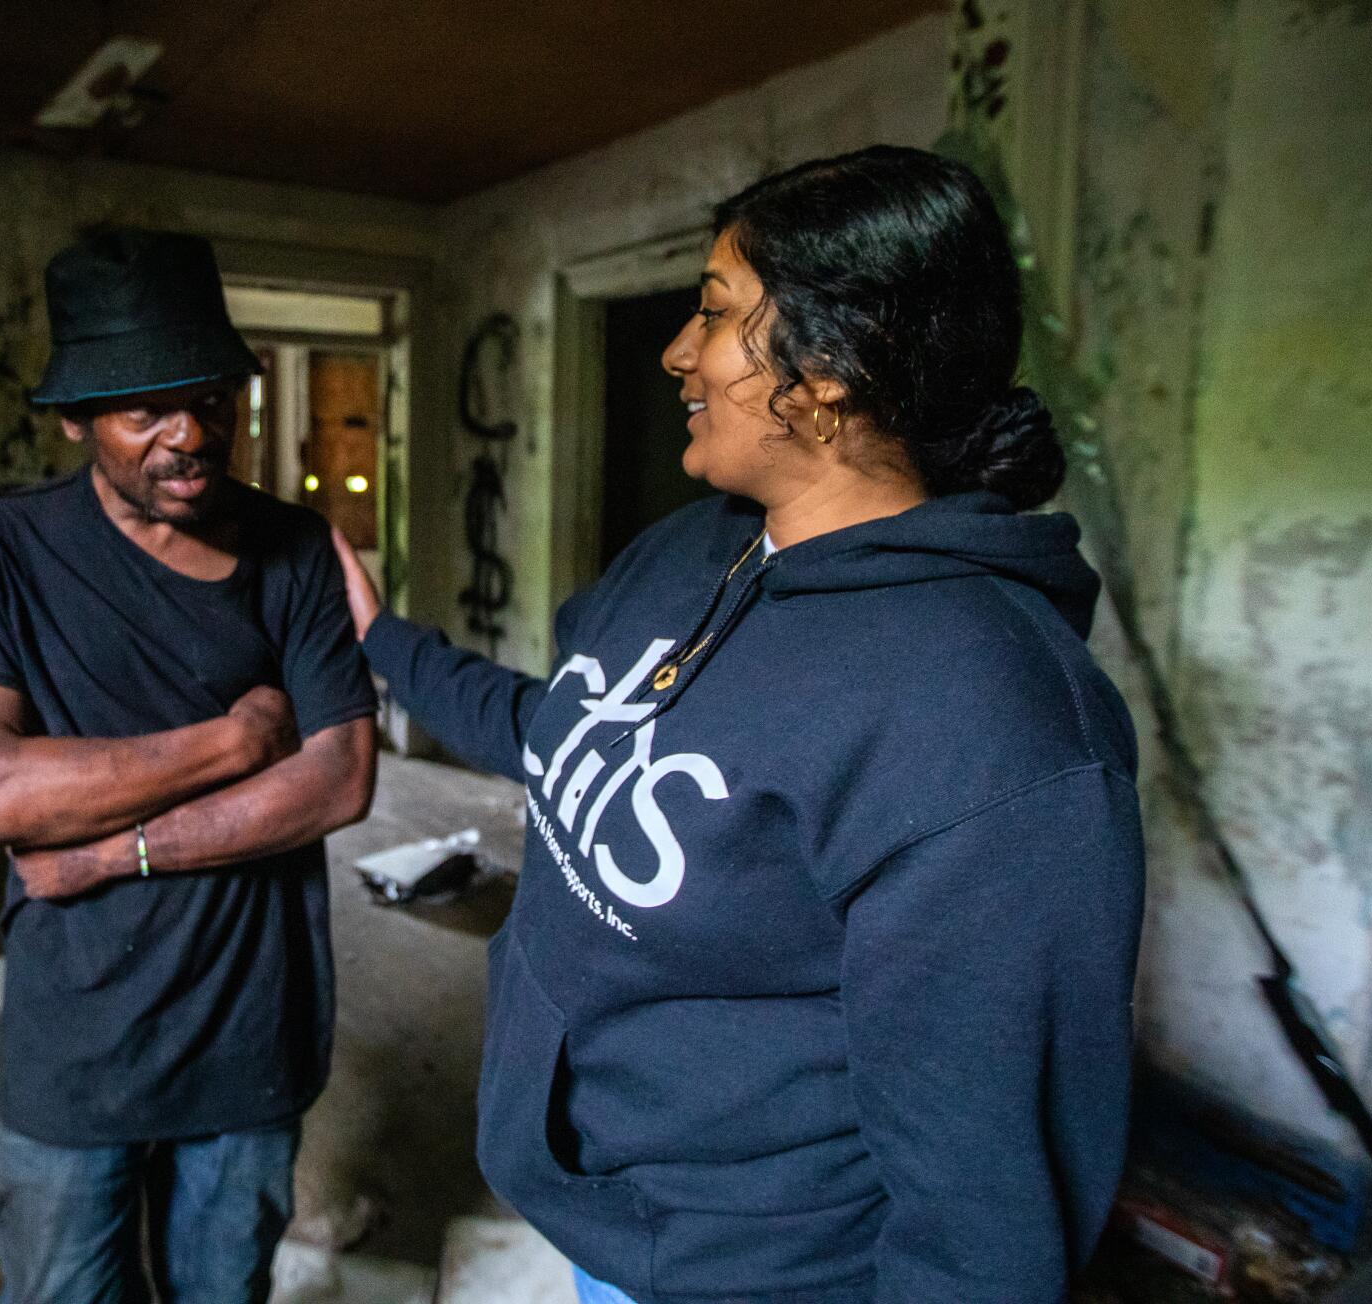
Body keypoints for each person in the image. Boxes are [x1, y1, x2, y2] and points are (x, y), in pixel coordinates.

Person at [332, 146, 1145, 1303]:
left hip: (755, 1274)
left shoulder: (992, 730)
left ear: (829, 371)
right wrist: (382, 640)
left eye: (713, 313)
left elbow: (982, 1204)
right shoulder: (690, 548)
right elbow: (561, 735)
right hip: (601, 1209)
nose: (676, 351)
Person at [0, 229, 379, 1304]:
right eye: (145, 411)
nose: (190, 435)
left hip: (251, 1034)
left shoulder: (294, 547)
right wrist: (231, 740)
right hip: (79, 1042)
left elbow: (340, 777)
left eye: (212, 400)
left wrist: (113, 850)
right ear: (77, 419)